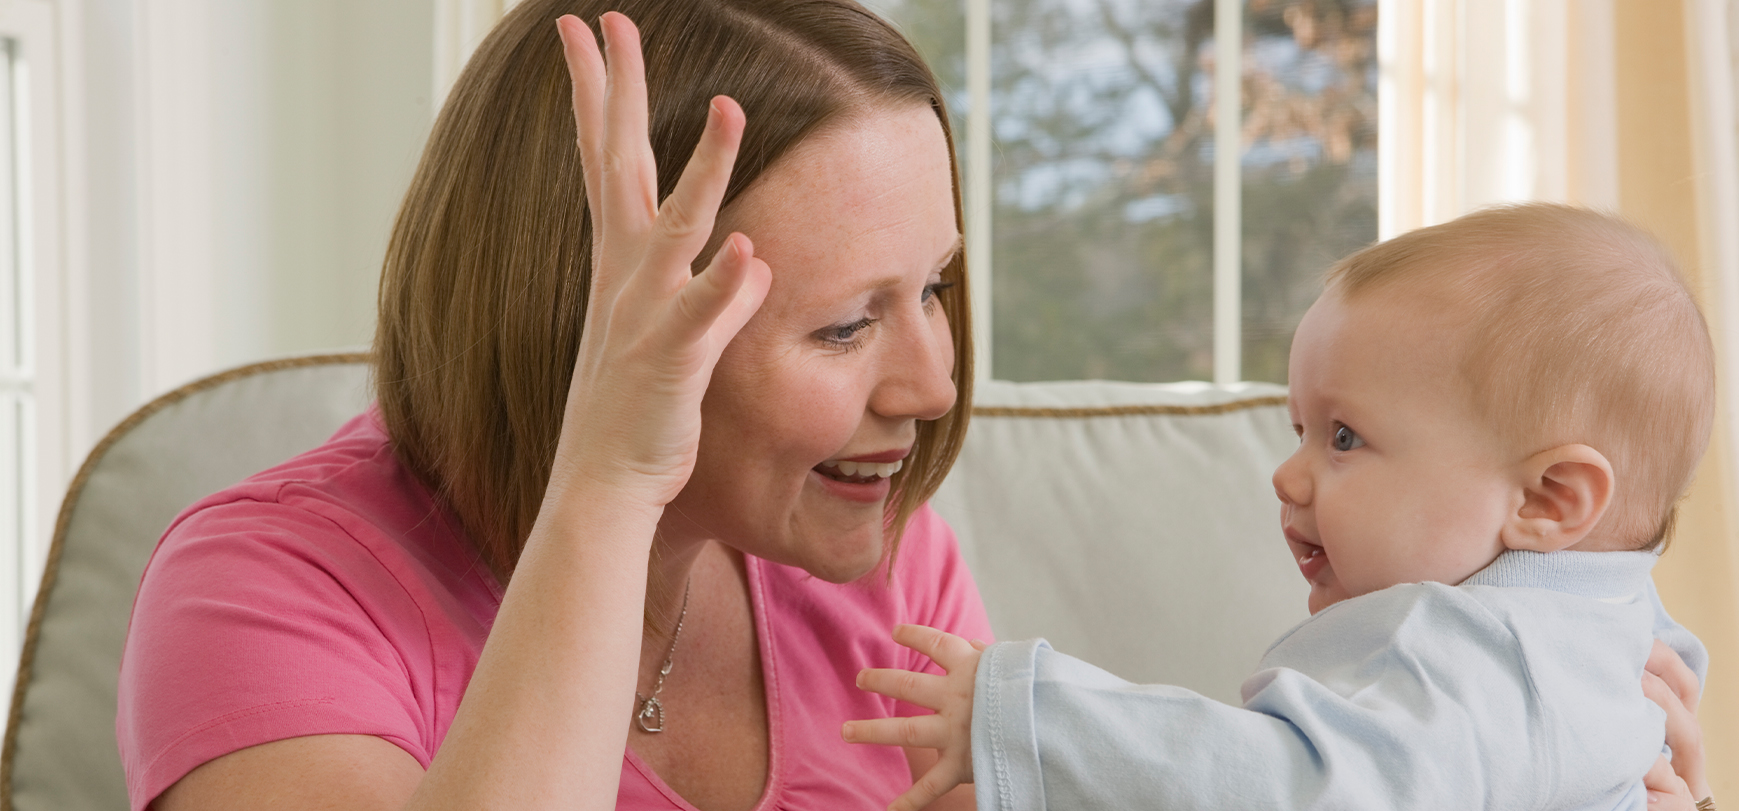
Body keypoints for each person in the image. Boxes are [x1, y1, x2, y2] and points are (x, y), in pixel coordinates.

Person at [115, 1, 990, 809]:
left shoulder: (891, 566)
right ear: (583, 322)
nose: (933, 386)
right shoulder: (263, 590)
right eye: (843, 326)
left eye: (934, 286)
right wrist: (609, 480)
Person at [847, 204, 1718, 810]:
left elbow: (1295, 784)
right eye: (1300, 428)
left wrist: (1030, 713)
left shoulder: (1489, 654)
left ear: (1549, 498)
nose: (1285, 477)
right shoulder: (1611, 629)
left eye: (1343, 439)